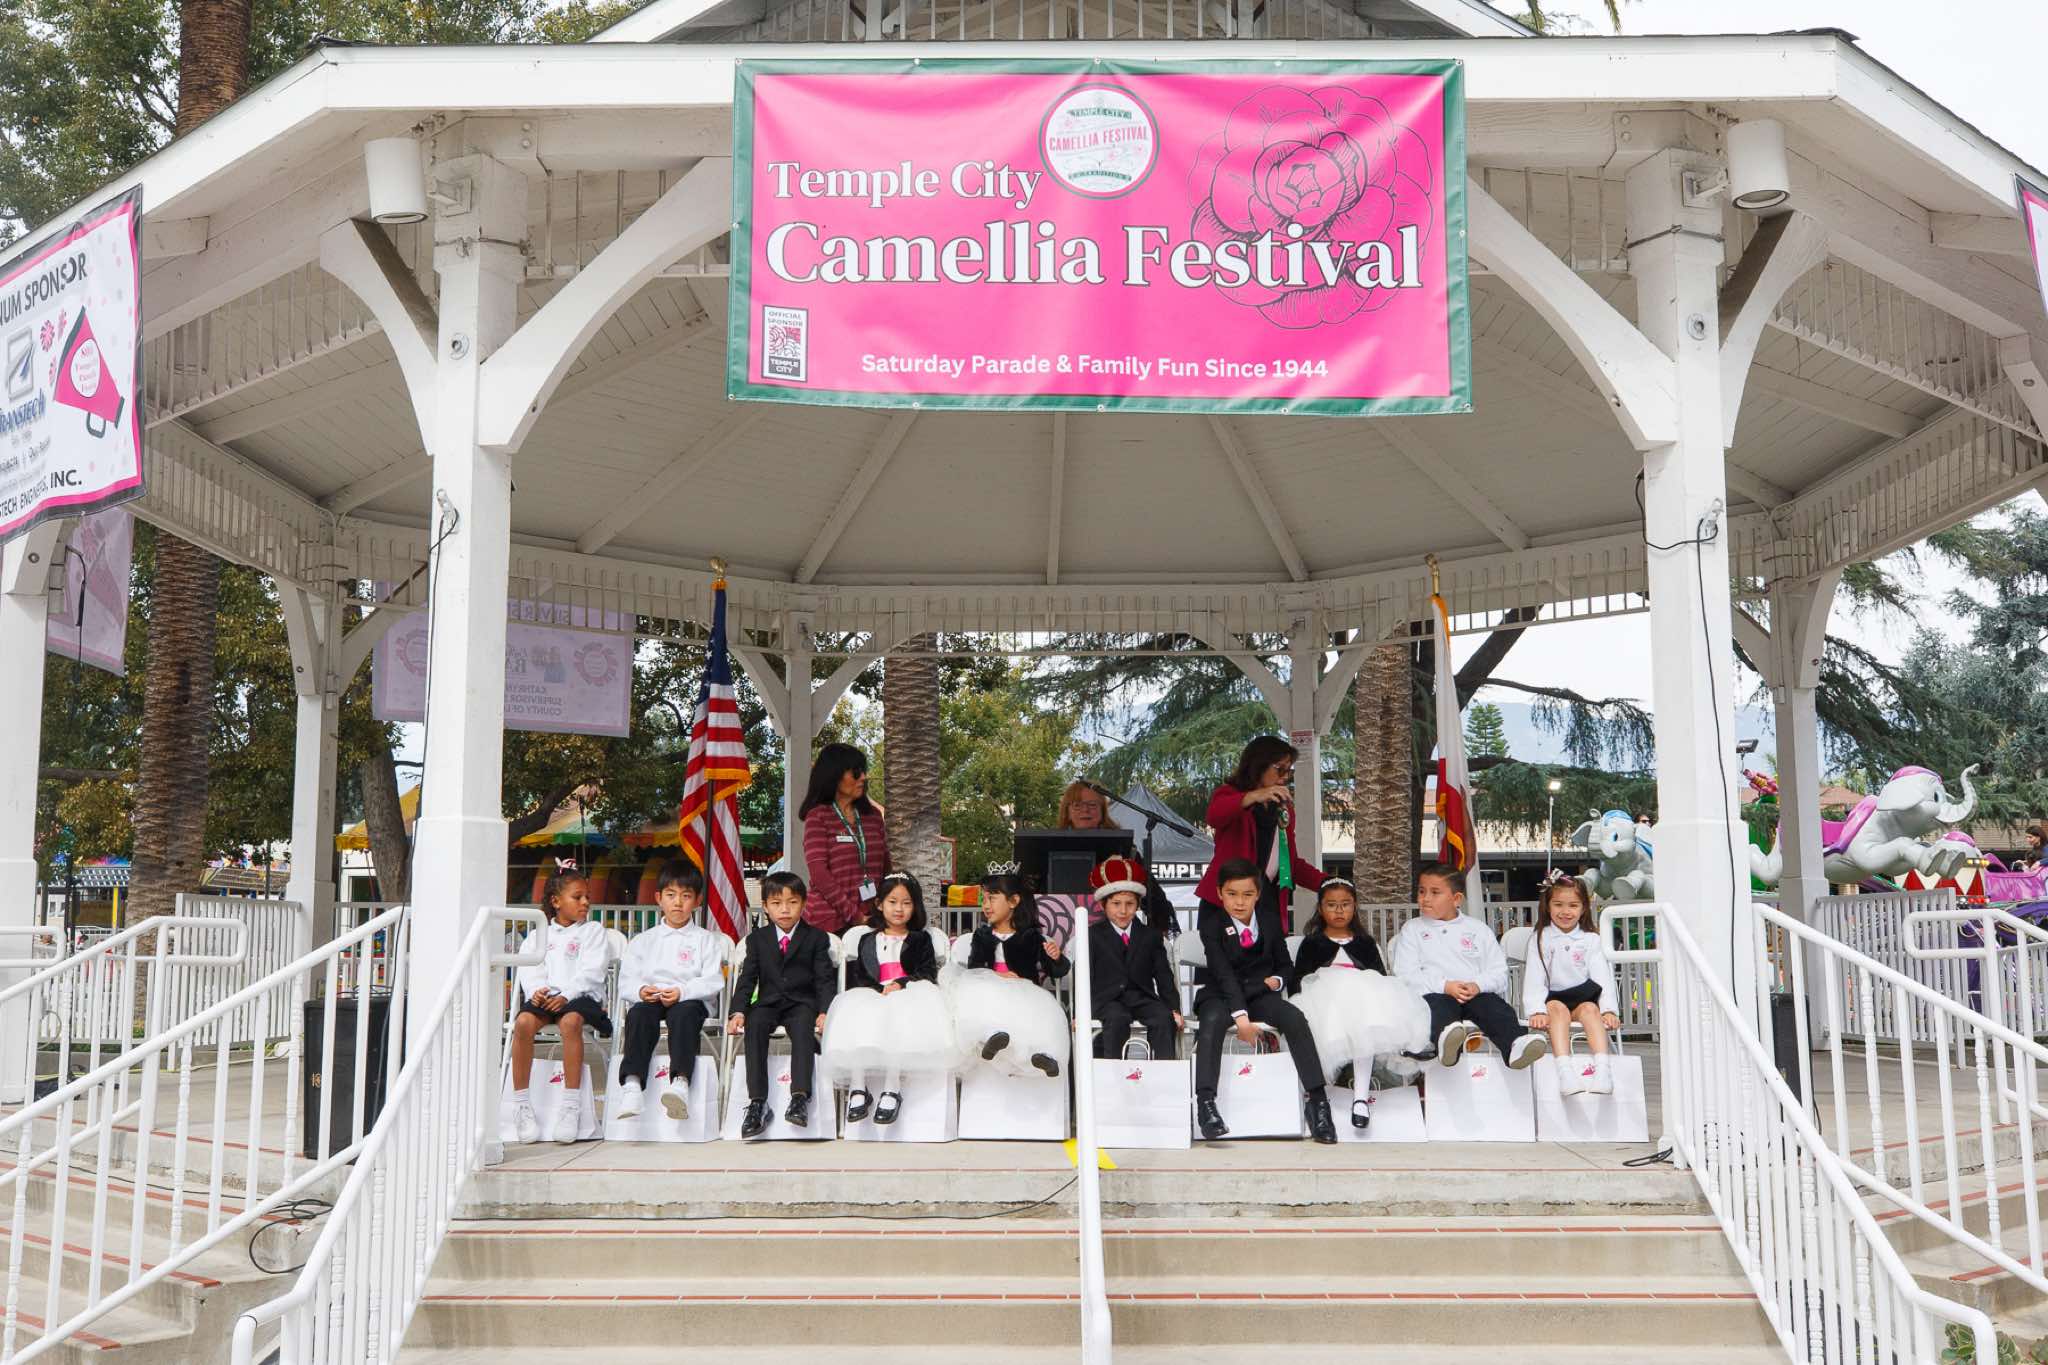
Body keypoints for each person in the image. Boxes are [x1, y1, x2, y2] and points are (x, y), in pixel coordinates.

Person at [1192, 858, 1337, 1144]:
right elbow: (1223, 974)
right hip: (1221, 994)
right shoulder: (1212, 925)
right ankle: (1206, 1104)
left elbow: (1285, 965)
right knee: (1212, 1020)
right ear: (1220, 893)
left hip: (1260, 994)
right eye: (1232, 894)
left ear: (1258, 894)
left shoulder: (1269, 921)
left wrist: (1278, 981)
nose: (1239, 902)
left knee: (1294, 1017)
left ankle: (1318, 1102)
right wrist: (1241, 1019)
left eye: (1247, 894)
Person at [1291, 878, 1430, 1130]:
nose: (1339, 910)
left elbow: (1381, 978)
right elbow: (1299, 980)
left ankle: (1360, 1099)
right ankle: (1320, 1099)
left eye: (1345, 904)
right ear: (1320, 908)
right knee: (1326, 1026)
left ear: (1354, 907)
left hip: (1363, 1004)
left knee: (1365, 1026)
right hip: (1324, 1001)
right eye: (1331, 905)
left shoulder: (1364, 943)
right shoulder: (1312, 942)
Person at [821, 872, 958, 1126]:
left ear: (915, 907)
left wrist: (901, 984)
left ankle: (892, 1088)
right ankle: (858, 1087)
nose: (899, 909)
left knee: (899, 1019)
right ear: (880, 904)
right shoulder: (867, 939)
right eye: (893, 902)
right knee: (857, 1013)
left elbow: (927, 972)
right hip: (875, 992)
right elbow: (861, 974)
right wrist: (877, 989)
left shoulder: (920, 939)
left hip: (908, 993)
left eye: (906, 903)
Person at [1391, 864, 1547, 1071]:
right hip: (1434, 994)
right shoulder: (1413, 929)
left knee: (1495, 1008)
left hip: (1474, 995)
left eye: (1435, 893)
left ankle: (1515, 1046)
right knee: (1440, 1007)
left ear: (1456, 899)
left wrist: (1477, 985)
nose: (1425, 898)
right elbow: (1405, 974)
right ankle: (1447, 1044)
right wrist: (1445, 986)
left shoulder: (1477, 929)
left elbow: (1499, 972)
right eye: (1421, 891)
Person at [510, 862, 614, 1144]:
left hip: (580, 997)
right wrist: (537, 991)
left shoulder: (592, 931)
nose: (585, 902)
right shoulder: (539, 934)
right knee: (523, 1022)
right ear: (556, 902)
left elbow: (592, 971)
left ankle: (571, 1105)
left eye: (587, 897)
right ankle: (521, 1104)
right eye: (577, 897)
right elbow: (530, 967)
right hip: (548, 997)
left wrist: (566, 995)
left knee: (570, 1021)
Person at [613, 862, 725, 1123]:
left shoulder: (705, 939)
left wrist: (682, 991)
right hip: (653, 999)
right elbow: (626, 981)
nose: (678, 903)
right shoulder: (643, 940)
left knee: (683, 1014)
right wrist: (642, 990)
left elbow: (713, 980)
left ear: (697, 901)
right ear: (658, 898)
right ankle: (632, 1084)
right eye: (671, 895)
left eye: (686, 896)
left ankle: (680, 1082)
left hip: (689, 1000)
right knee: (639, 1014)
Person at [727, 871, 835, 1139]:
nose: (785, 909)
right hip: (768, 1003)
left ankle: (799, 1097)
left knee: (803, 1028)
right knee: (755, 1025)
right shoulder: (757, 940)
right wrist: (738, 1011)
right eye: (776, 903)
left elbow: (824, 979)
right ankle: (757, 1102)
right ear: (765, 906)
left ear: (804, 904)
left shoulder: (816, 938)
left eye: (792, 902)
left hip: (802, 1003)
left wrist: (826, 1011)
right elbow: (747, 979)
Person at [946, 867, 1070, 1078]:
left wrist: (1056, 957)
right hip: (990, 991)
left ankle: (1042, 1055)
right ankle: (992, 1036)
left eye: (992, 898)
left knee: (1039, 1015)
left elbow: (1056, 971)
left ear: (1013, 901)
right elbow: (975, 970)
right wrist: (998, 976)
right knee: (978, 1001)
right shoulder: (982, 936)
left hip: (1024, 992)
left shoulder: (1031, 936)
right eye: (984, 899)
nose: (986, 905)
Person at [1195, 736, 1325, 933]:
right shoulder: (1229, 794)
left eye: (1289, 771)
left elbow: (1290, 863)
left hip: (1267, 903)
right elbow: (1214, 816)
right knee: (1223, 952)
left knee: (1272, 952)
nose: (1285, 777)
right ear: (1258, 766)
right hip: (1226, 904)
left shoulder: (1283, 808)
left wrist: (1327, 883)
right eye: (1280, 769)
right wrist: (1253, 796)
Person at [1523, 871, 1621, 1095]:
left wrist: (1608, 1010)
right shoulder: (1541, 938)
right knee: (1557, 1010)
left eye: (1573, 905)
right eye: (1558, 904)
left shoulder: (1591, 939)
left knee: (1590, 1010)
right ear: (1548, 906)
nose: (1565, 912)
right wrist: (1536, 1010)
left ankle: (1603, 1070)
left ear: (1584, 908)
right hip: (1554, 999)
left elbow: (1602, 978)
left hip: (1582, 998)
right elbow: (1535, 977)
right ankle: (1565, 1071)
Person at [1088, 856, 1183, 1060]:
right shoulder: (1093, 935)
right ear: (1104, 905)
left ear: (1138, 905)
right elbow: (1085, 975)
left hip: (1141, 998)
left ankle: (1164, 1072)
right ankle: (1113, 1073)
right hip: (1107, 1001)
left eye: (1129, 904)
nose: (1123, 911)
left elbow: (1164, 976)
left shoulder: (1150, 935)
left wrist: (1173, 1009)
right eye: (1116, 904)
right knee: (1117, 1018)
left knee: (1163, 1018)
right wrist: (1079, 1012)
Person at [1061, 781, 1179, 931]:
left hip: (1116, 934)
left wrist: (1160, 932)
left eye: (1092, 805)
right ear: (1067, 811)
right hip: (1061, 927)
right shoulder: (1048, 846)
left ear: (1103, 811)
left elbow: (1154, 898)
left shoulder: (1122, 848)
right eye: (1077, 805)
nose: (1085, 810)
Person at [800, 742, 891, 934]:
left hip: (871, 920)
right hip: (828, 924)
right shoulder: (818, 816)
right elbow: (819, 874)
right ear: (834, 775)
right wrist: (856, 916)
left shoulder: (873, 816)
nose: (864, 777)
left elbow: (885, 867)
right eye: (856, 773)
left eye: (863, 771)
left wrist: (882, 907)